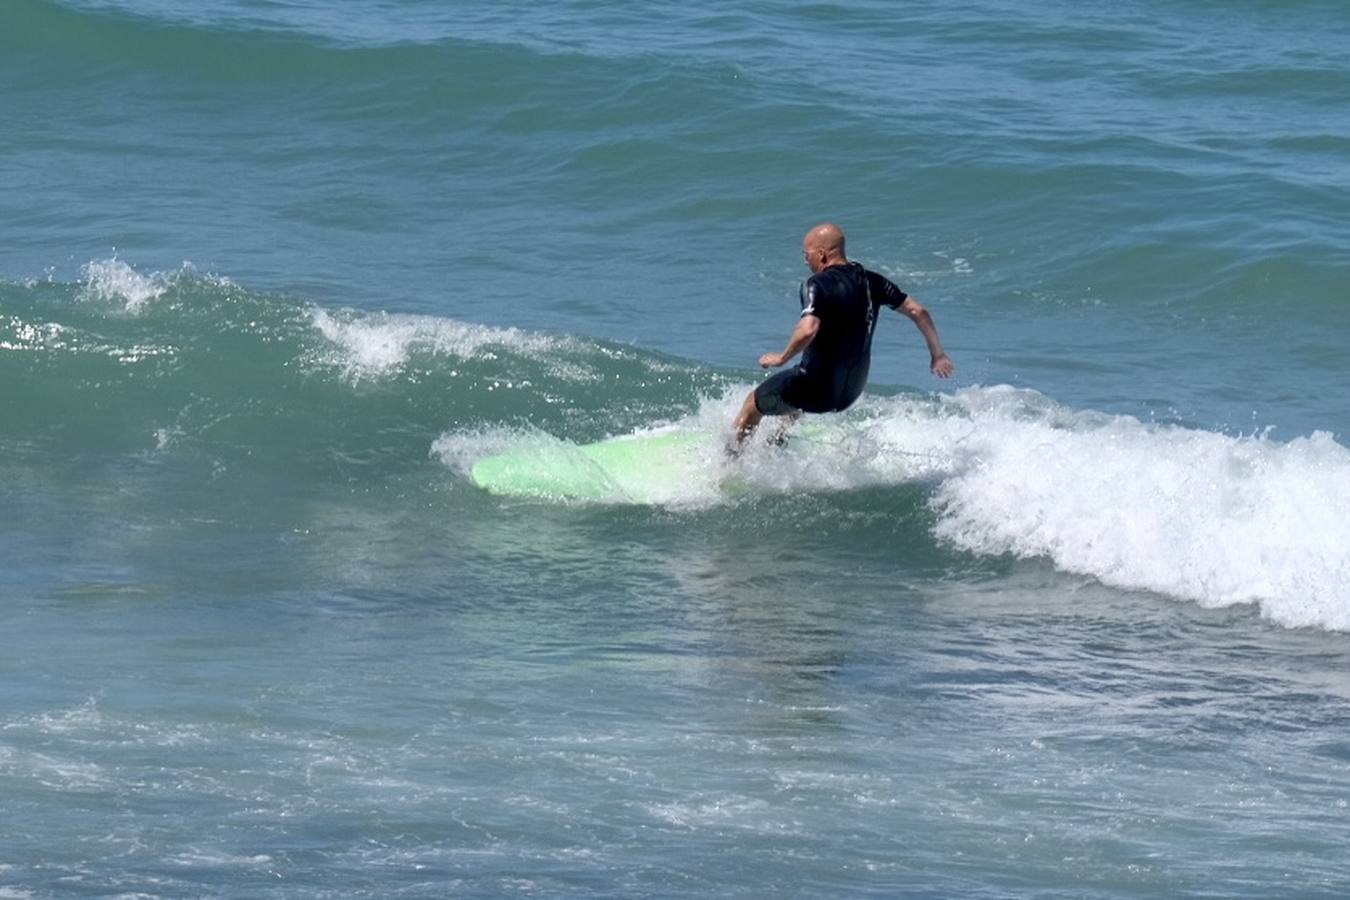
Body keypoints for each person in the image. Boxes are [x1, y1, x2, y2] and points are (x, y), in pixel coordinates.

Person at [732, 223, 954, 443]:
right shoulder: (873, 281)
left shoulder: (816, 284)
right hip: (851, 391)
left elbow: (808, 329)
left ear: (821, 255)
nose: (806, 261)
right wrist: (938, 355)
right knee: (797, 385)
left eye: (806, 255)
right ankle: (776, 442)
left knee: (753, 404)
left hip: (818, 391)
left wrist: (781, 357)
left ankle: (728, 467)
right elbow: (919, 311)